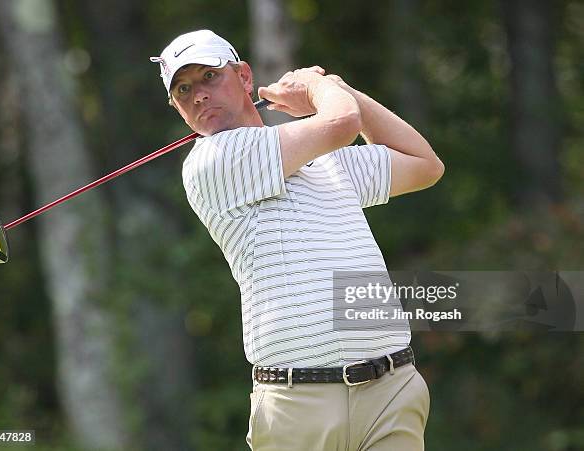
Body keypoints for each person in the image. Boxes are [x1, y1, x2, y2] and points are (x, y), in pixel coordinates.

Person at [151, 29, 444, 451]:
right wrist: (319, 87)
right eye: (183, 89)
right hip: (299, 405)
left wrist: (346, 92)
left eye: (209, 77)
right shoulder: (211, 163)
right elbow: (341, 123)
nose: (198, 95)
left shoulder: (326, 163)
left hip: (390, 393)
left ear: (245, 77)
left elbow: (424, 165)